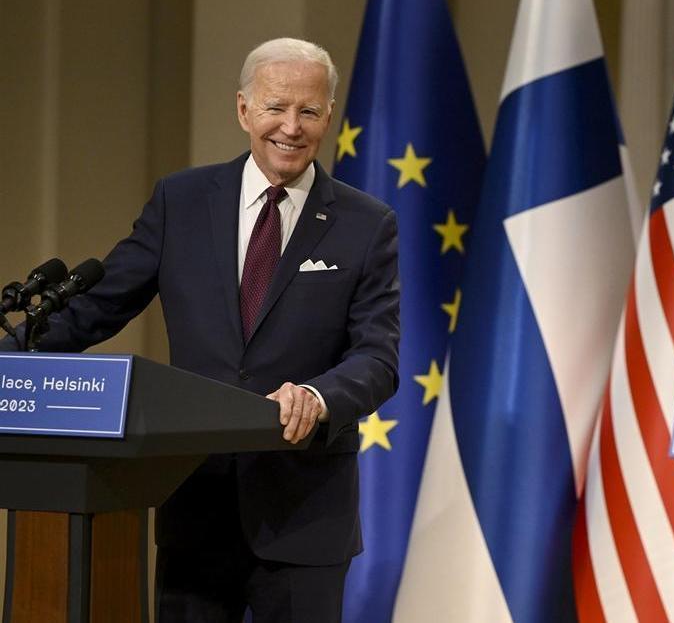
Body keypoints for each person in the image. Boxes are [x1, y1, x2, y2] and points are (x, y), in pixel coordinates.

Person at [1, 38, 400, 621]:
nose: (291, 127)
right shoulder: (181, 201)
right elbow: (97, 306)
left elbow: (378, 356)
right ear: (243, 110)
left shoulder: (367, 225)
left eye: (309, 111)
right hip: (193, 501)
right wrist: (10, 359)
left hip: (303, 515)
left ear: (328, 117)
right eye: (275, 108)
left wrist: (318, 397)